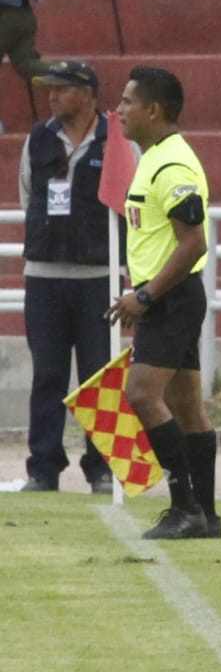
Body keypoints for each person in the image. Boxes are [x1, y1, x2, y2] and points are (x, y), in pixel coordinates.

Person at [107, 65, 219, 540]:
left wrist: (146, 295)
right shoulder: (155, 156)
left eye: (128, 102)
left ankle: (185, 508)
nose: (119, 110)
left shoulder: (172, 164)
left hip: (168, 298)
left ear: (154, 110)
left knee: (142, 395)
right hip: (173, 297)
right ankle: (206, 516)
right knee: (187, 405)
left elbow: (192, 242)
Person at [19, 60, 125, 494]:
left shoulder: (117, 141)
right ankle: (43, 468)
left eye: (61, 89)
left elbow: (129, 206)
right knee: (47, 373)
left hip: (99, 274)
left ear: (86, 93)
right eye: (50, 89)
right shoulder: (39, 138)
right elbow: (29, 194)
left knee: (100, 374)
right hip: (44, 275)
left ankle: (101, 467)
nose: (52, 96)